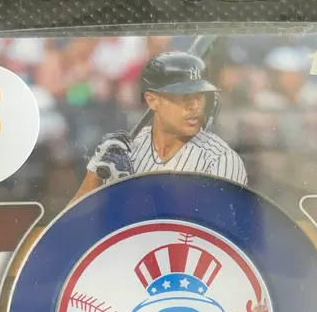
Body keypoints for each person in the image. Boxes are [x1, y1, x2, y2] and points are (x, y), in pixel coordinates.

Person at [72, 51, 247, 201]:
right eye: (183, 96)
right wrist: (95, 174)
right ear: (152, 100)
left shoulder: (220, 160)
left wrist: (129, 192)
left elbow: (214, 228)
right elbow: (71, 224)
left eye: (199, 96)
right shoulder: (127, 150)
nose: (195, 106)